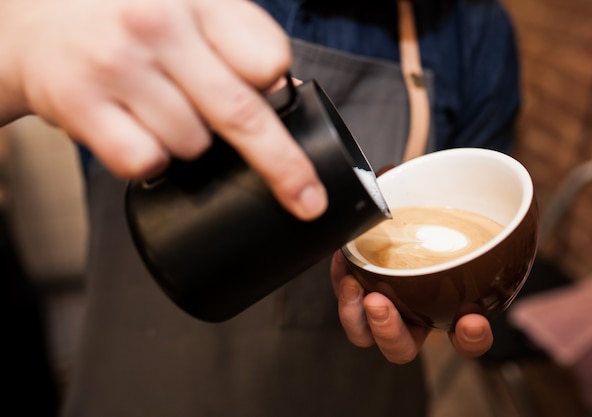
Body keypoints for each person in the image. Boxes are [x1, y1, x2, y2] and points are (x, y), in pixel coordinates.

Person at [0, 0, 519, 415]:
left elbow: (474, 228)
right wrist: (23, 42)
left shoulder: (474, 33)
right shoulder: (136, 11)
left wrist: (436, 305)